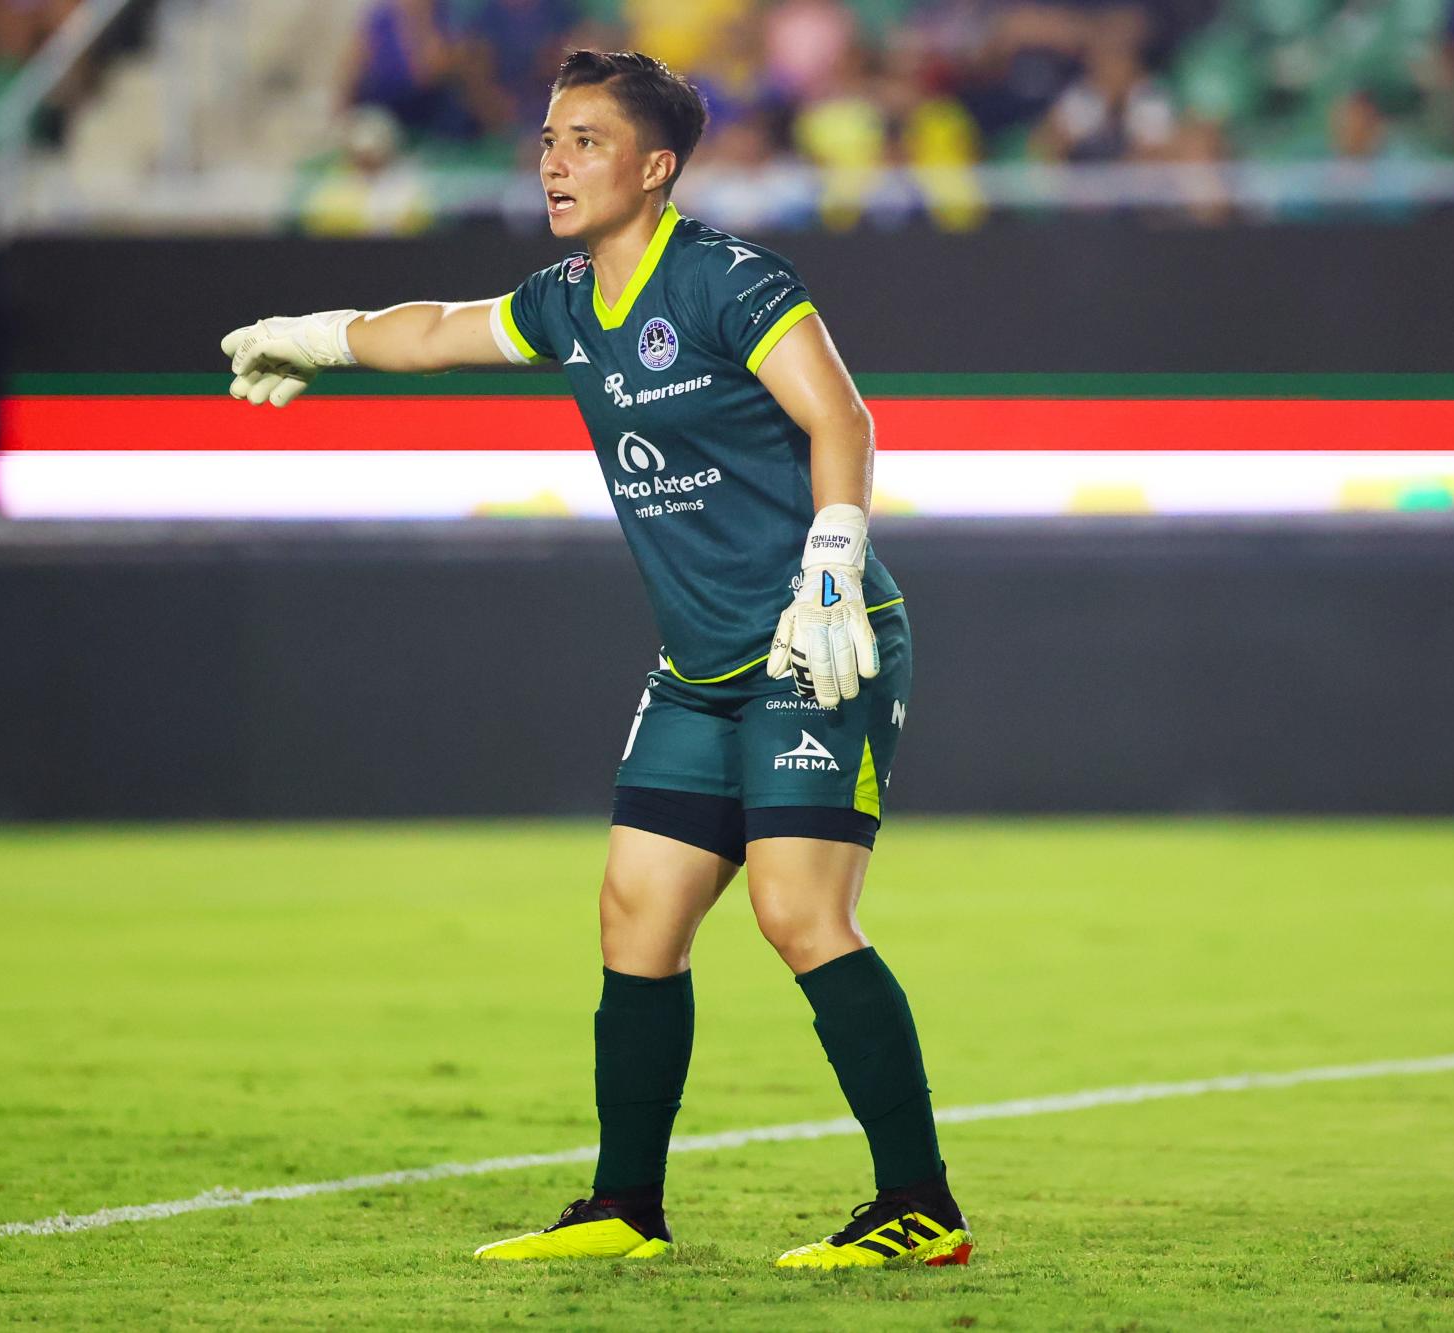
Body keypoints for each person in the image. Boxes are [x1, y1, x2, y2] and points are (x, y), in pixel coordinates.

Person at [221, 49, 971, 1271]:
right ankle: (625, 1207)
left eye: (583, 141)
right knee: (635, 914)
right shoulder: (569, 301)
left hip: (814, 636)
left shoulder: (729, 280)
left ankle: (920, 1202)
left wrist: (833, 558)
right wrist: (319, 337)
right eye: (549, 139)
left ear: (654, 166)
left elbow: (842, 416)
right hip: (697, 664)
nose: (553, 161)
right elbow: (435, 334)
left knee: (797, 911)